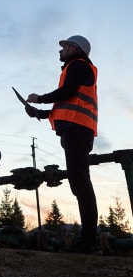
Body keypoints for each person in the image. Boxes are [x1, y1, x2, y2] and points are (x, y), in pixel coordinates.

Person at [26, 35, 99, 254]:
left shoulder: (78, 65)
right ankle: (88, 241)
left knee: (81, 184)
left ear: (74, 48)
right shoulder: (75, 68)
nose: (60, 50)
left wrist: (40, 98)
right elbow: (65, 106)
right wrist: (38, 113)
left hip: (77, 131)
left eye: (64, 46)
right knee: (80, 183)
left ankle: (89, 243)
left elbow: (65, 94)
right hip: (75, 130)